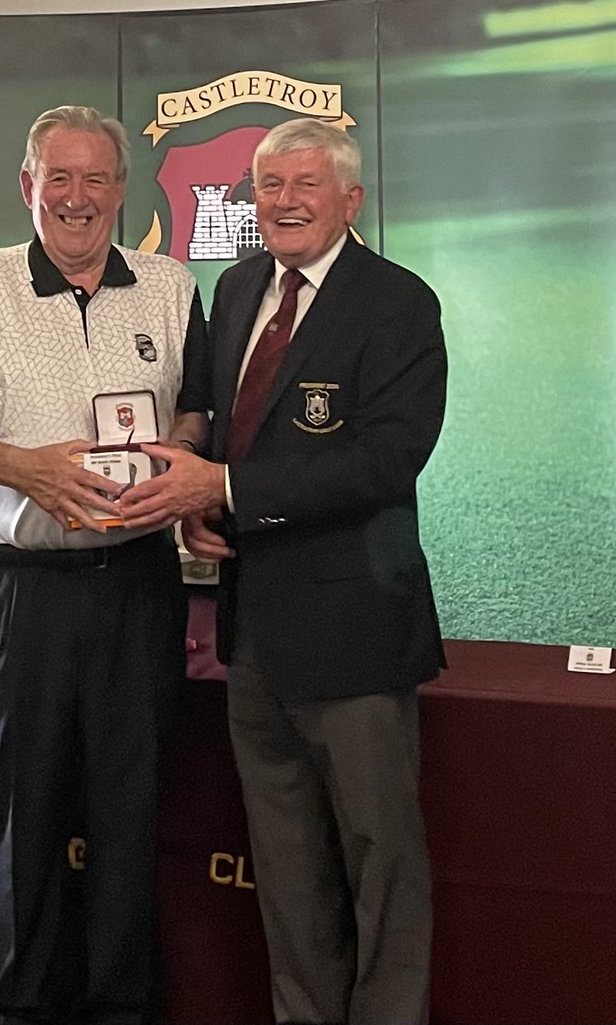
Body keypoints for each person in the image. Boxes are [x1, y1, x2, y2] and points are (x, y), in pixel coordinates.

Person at [118, 118, 447, 1025]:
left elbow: (387, 460)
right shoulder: (234, 289)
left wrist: (226, 483)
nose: (286, 200)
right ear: (249, 198)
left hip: (355, 636)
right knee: (287, 858)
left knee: (380, 857)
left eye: (306, 184)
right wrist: (208, 505)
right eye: (269, 185)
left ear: (351, 200)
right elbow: (233, 436)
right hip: (252, 630)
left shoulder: (398, 303)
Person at [0, 105, 207, 1025]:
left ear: (124, 189)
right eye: (60, 179)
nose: (78, 199)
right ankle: (20, 1007)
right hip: (21, 595)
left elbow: (196, 414)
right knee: (23, 819)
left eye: (97, 179)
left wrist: (178, 465)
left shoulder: (169, 284)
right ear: (29, 185)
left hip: (138, 591)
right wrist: (24, 469)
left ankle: (121, 1004)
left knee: (129, 813)